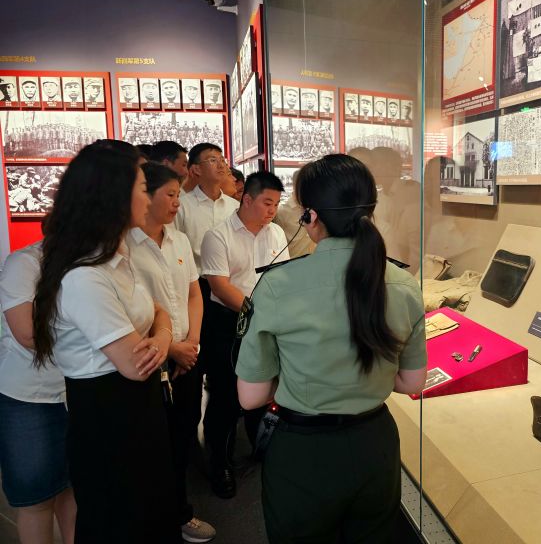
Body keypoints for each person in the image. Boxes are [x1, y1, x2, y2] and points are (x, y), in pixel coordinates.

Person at [236, 154, 426, 542]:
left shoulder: (277, 285)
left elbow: (250, 397)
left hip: (304, 453)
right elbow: (412, 382)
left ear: (310, 216)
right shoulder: (404, 284)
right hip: (375, 445)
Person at [31, 140, 180, 543]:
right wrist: (161, 341)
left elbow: (160, 313)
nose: (149, 197)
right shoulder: (85, 276)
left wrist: (161, 337)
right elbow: (136, 365)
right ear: (112, 195)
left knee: (151, 508)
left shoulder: (114, 258)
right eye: (142, 187)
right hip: (108, 414)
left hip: (136, 407)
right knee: (119, 518)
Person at [126, 163, 216, 543]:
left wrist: (192, 342)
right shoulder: (125, 245)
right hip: (147, 361)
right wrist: (171, 348)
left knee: (182, 436)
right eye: (170, 194)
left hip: (186, 357)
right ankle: (152, 520)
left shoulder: (179, 240)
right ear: (145, 196)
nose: (178, 202)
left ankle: (180, 512)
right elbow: (129, 310)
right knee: (151, 445)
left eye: (179, 195)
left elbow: (195, 293)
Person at [200, 171, 288, 498]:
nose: (272, 211)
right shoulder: (218, 236)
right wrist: (255, 312)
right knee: (226, 395)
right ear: (247, 199)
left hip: (266, 321)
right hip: (228, 322)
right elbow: (220, 286)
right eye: (267, 203)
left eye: (276, 204)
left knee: (263, 388)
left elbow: (282, 276)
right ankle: (220, 463)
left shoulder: (276, 232)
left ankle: (261, 449)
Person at [0, 241, 76, 544]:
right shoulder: (24, 263)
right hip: (29, 398)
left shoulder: (89, 260)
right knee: (37, 501)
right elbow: (28, 334)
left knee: (73, 491)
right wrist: (100, 334)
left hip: (76, 391)